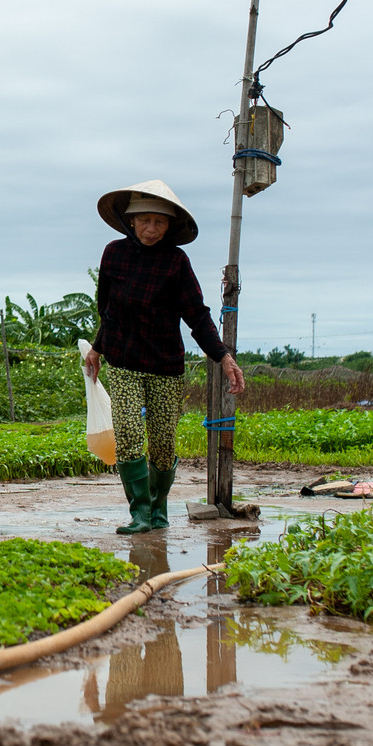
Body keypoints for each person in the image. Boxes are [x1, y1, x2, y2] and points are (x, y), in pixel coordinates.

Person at [84, 179, 245, 533]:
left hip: (165, 366)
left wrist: (223, 356)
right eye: (144, 220)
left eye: (159, 222)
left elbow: (197, 316)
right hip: (124, 362)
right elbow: (108, 310)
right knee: (126, 432)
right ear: (131, 221)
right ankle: (139, 512)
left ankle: (159, 510)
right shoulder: (114, 254)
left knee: (162, 442)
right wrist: (98, 347)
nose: (151, 228)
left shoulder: (176, 262)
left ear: (169, 226)